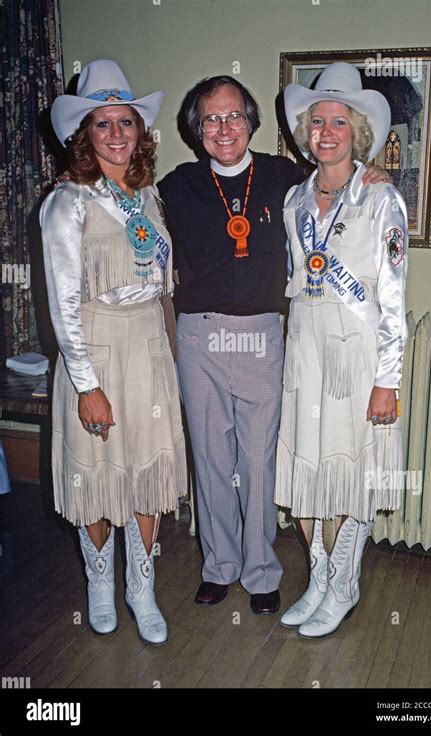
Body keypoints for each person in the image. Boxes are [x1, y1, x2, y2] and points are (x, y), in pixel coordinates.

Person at [158, 75, 388, 615]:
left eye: (234, 115)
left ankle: (261, 570)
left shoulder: (286, 176)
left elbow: (336, 183)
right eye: (211, 119)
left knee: (258, 461)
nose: (223, 128)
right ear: (196, 130)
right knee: (211, 458)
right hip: (200, 334)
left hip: (262, 334)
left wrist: (372, 175)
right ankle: (219, 565)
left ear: (252, 122)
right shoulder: (175, 184)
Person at [41, 59, 186, 645]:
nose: (117, 135)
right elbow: (62, 304)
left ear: (138, 130)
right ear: (84, 135)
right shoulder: (67, 202)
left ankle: (141, 588)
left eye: (124, 122)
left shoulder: (147, 196)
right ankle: (102, 583)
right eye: (103, 126)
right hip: (95, 352)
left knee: (147, 475)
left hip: (147, 346)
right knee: (98, 478)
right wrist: (87, 384)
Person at [275, 62, 408, 638]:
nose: (325, 132)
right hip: (305, 350)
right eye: (317, 121)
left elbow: (396, 301)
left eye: (338, 122)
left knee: (349, 475)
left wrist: (389, 379)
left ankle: (344, 586)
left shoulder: (382, 202)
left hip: (356, 358)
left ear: (357, 130)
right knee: (307, 475)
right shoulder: (294, 201)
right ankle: (321, 578)